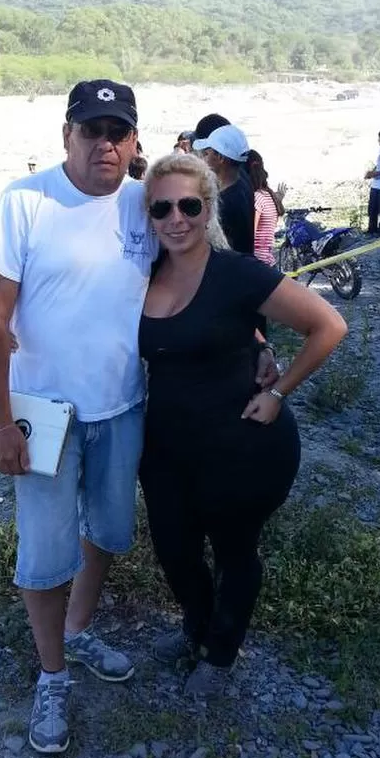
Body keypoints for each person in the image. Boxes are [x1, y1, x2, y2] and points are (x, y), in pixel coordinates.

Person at [0, 78, 154, 755]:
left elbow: (200, 277)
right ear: (66, 135)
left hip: (123, 405)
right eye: (91, 129)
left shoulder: (148, 204)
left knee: (108, 531)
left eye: (118, 131)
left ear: (135, 141)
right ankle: (51, 675)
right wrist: (0, 423)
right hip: (41, 413)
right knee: (44, 554)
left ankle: (78, 632)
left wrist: (255, 345)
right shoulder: (24, 202)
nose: (104, 143)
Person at [139, 154, 347, 695]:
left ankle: (220, 653)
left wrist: (278, 391)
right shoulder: (142, 273)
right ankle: (196, 625)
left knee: (234, 551)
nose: (175, 218)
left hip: (242, 446)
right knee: (175, 551)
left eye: (189, 205)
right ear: (149, 214)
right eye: (162, 207)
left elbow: (328, 324)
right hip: (164, 448)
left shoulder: (236, 271)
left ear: (207, 208)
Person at [192, 124, 256, 254]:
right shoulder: (242, 180)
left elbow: (222, 246)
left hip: (231, 268)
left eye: (206, 153)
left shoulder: (226, 202)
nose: (203, 158)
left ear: (220, 158)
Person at [249, 150, 286, 266]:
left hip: (257, 263)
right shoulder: (267, 195)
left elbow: (249, 235)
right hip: (267, 262)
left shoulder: (257, 198)